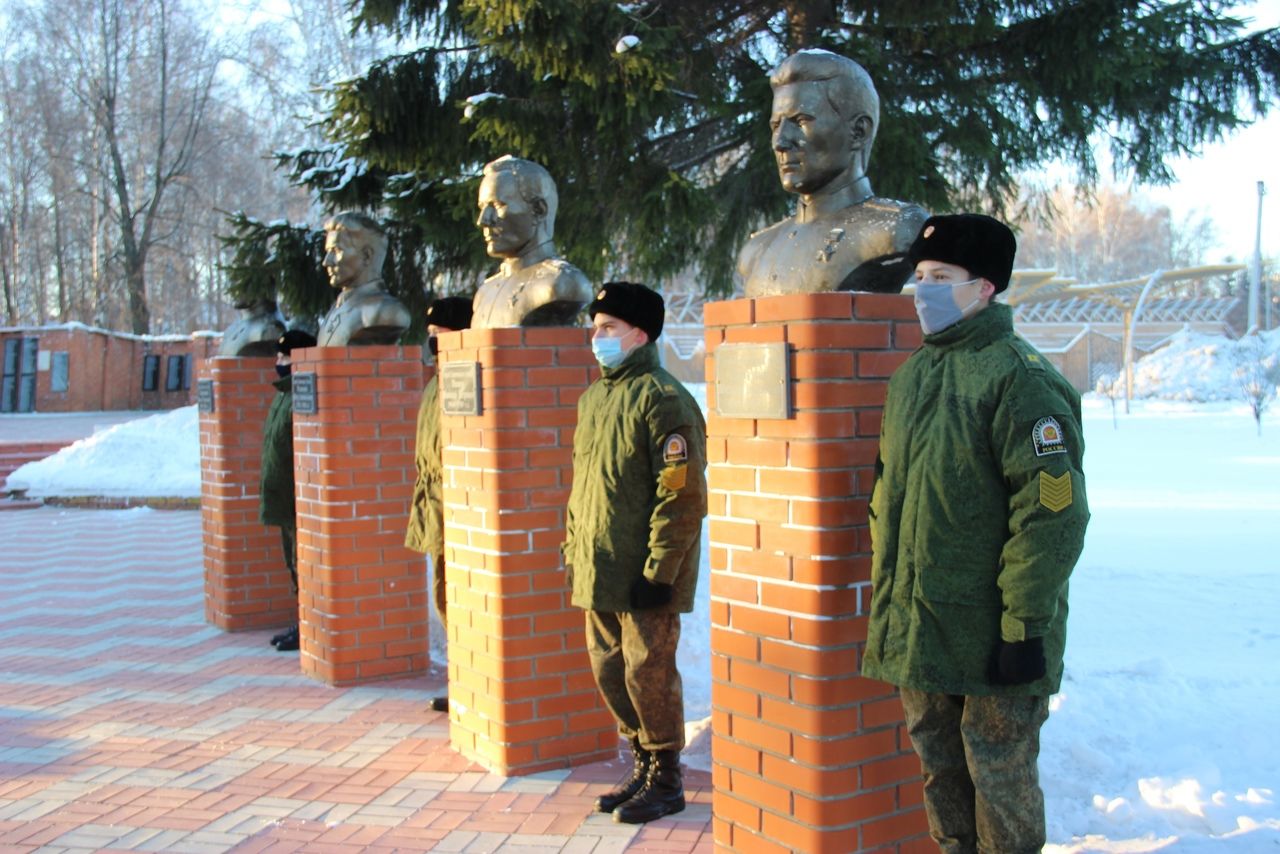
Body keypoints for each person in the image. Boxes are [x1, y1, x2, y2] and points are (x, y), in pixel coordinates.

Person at [861, 214, 1090, 853]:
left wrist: (1023, 629)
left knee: (999, 777)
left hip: (996, 633)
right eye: (920, 276)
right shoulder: (912, 378)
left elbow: (1053, 514)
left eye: (942, 277)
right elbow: (888, 494)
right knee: (941, 772)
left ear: (985, 287)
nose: (922, 289)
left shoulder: (1022, 380)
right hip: (923, 626)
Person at [562, 282, 707, 825]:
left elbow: (682, 493)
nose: (595, 337)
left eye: (608, 328)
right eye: (595, 327)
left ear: (639, 334)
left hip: (646, 573)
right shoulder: (595, 398)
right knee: (610, 670)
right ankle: (643, 763)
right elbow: (585, 486)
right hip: (599, 566)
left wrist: (660, 570)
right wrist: (573, 546)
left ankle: (666, 778)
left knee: (649, 672)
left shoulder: (664, 399)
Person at [736, 50, 928, 297]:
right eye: (775, 126)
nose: (780, 142)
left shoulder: (897, 229)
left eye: (801, 121)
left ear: (859, 131)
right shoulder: (757, 249)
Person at [404, 295, 473, 713]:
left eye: (438, 334)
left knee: (462, 600)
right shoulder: (435, 383)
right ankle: (461, 677)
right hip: (435, 512)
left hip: (460, 513)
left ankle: (469, 678)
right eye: (428, 335)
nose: (431, 343)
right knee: (444, 599)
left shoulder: (463, 379)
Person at [470, 156, 593, 328]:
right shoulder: (485, 292)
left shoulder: (562, 282)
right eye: (482, 207)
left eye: (498, 205)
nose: (483, 220)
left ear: (538, 210)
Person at [259, 328, 318, 652]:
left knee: (302, 563)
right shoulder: (283, 395)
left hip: (295, 497)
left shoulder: (298, 396)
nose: (277, 362)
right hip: (283, 495)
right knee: (292, 564)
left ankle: (307, 625)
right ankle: (301, 621)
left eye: (284, 357)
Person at [316, 212, 412, 346]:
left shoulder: (386, 311)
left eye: (336, 251)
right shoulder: (336, 308)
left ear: (366, 256)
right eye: (328, 252)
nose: (327, 262)